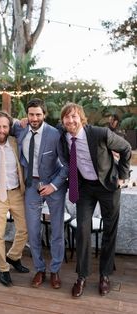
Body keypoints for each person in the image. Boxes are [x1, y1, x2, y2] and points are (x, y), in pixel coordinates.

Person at [60, 102, 131, 298]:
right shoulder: (62, 134)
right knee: (82, 229)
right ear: (63, 120)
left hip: (108, 186)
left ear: (82, 118)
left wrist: (123, 177)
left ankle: (105, 275)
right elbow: (38, 125)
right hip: (85, 188)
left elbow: (125, 148)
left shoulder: (100, 133)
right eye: (67, 117)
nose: (70, 120)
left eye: (74, 116)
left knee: (110, 229)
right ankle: (81, 276)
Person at [13, 98, 68, 289]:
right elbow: (0, 124)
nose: (34, 118)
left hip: (53, 186)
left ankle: (55, 270)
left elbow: (67, 165)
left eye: (38, 114)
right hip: (31, 186)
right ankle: (39, 268)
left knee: (56, 231)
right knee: (33, 231)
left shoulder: (55, 134)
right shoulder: (20, 131)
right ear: (26, 115)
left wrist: (53, 185)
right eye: (31, 114)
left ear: (44, 114)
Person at [0, 111, 29, 286]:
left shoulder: (16, 142)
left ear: (9, 128)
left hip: (17, 192)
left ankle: (14, 256)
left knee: (25, 229)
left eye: (5, 126)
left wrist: (21, 121)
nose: (1, 130)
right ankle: (3, 268)